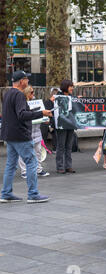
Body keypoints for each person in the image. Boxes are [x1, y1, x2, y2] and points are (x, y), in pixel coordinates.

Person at [0, 70, 53, 203]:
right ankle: (33, 194)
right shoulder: (19, 95)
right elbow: (22, 115)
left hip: (9, 134)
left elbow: (18, 113)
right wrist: (42, 113)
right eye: (26, 79)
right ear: (22, 81)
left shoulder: (8, 93)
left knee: (11, 165)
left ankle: (6, 193)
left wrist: (40, 112)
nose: (28, 81)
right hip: (20, 135)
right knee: (32, 162)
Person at [18, 85, 50, 178]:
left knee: (38, 152)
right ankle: (24, 171)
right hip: (26, 131)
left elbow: (41, 113)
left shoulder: (36, 102)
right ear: (27, 93)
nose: (33, 94)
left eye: (33, 92)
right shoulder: (21, 103)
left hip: (36, 131)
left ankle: (38, 169)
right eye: (31, 92)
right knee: (24, 152)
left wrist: (45, 119)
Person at [55, 79, 76, 174]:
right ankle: (60, 166)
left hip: (70, 124)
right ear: (65, 87)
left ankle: (68, 166)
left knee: (68, 146)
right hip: (62, 125)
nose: (72, 88)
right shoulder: (58, 97)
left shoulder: (72, 97)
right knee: (61, 146)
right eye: (70, 86)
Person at [41, 87, 59, 151]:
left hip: (54, 121)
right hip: (48, 121)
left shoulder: (58, 103)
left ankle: (55, 148)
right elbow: (46, 113)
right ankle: (42, 148)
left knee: (56, 130)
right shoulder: (47, 102)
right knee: (44, 127)